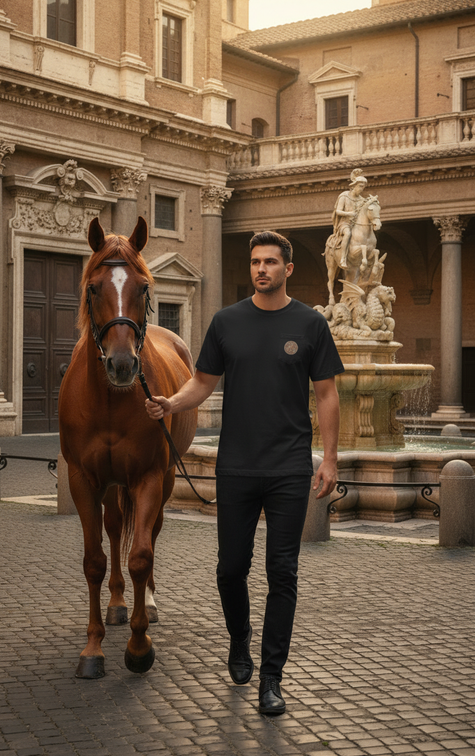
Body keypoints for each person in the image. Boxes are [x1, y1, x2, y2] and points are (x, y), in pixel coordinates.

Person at [145, 231, 344, 715]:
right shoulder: (226, 322)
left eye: (271, 262)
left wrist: (332, 459)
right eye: (256, 262)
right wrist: (170, 403)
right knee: (230, 569)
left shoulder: (311, 324)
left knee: (283, 572)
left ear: (288, 269)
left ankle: (271, 678)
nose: (261, 269)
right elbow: (202, 383)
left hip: (289, 470)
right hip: (235, 467)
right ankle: (240, 639)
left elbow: (327, 395)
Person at [332, 169, 368, 268]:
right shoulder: (344, 196)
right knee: (348, 234)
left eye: (363, 187)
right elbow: (338, 211)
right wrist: (349, 214)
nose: (362, 189)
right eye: (360, 186)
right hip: (345, 224)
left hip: (357, 224)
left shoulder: (361, 200)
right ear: (354, 186)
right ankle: (343, 258)